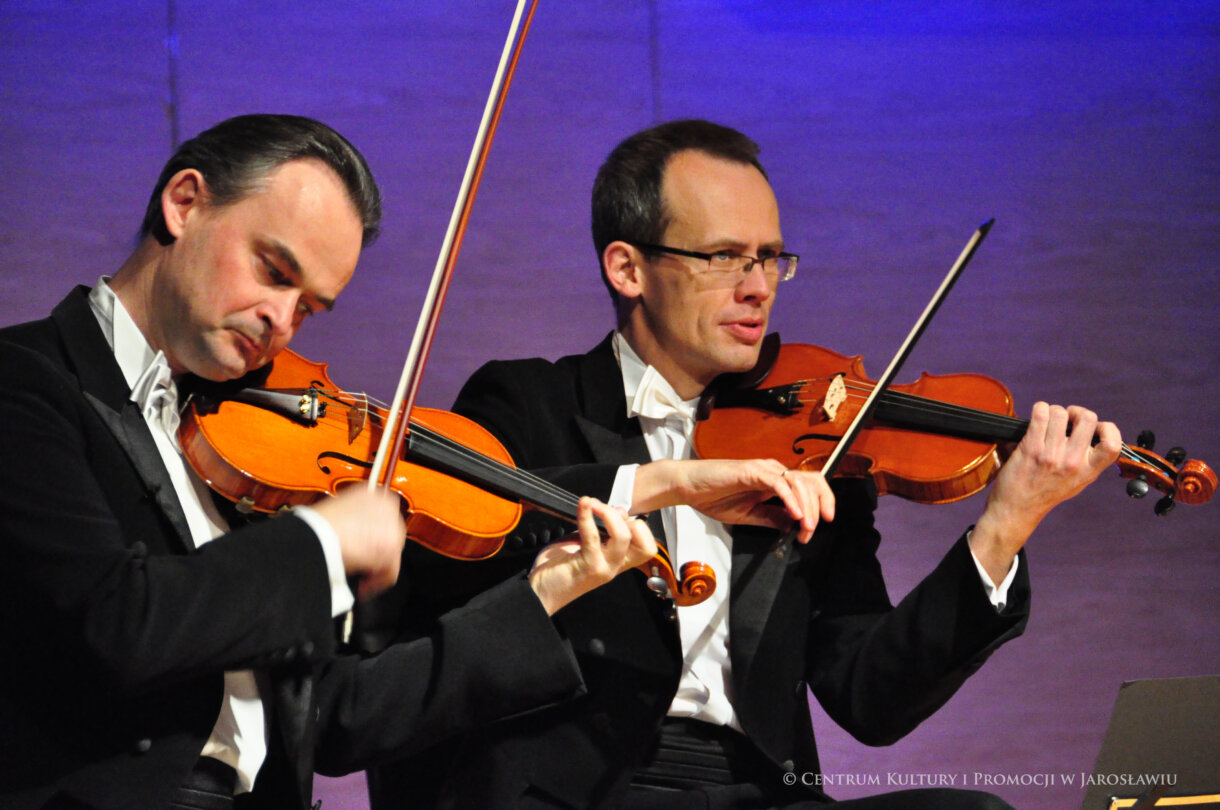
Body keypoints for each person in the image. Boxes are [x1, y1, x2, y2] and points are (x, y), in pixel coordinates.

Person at [367, 119, 1123, 809]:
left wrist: (1005, 527)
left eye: (769, 258)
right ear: (628, 268)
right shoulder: (527, 402)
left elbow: (871, 697)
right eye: (725, 257)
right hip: (580, 791)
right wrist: (655, 489)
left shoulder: (814, 449)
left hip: (760, 791)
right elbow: (477, 551)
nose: (758, 287)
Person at [0, 114, 661, 809]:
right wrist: (321, 540)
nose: (281, 321)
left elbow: (332, 715)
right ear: (184, 203)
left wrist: (541, 597)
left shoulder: (244, 443)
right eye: (274, 272)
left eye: (309, 307)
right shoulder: (25, 382)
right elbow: (114, 623)